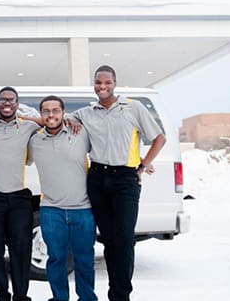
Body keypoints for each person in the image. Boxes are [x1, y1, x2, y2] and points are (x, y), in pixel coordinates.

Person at [72, 65, 166, 301]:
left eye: (107, 82)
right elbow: (53, 118)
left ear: (115, 83)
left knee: (124, 239)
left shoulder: (133, 107)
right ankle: (115, 291)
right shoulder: (86, 112)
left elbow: (159, 138)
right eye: (98, 82)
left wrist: (144, 164)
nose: (102, 87)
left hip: (125, 179)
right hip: (97, 178)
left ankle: (121, 295)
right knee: (109, 239)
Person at [27, 95, 97, 301]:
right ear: (40, 115)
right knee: (56, 259)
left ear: (63, 113)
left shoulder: (81, 133)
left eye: (55, 110)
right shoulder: (35, 141)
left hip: (83, 209)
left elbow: (107, 149)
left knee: (84, 260)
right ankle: (59, 297)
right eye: (46, 111)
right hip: (51, 210)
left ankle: (87, 298)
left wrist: (140, 165)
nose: (51, 115)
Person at [0, 86, 41, 301]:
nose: (7, 103)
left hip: (18, 197)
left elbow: (49, 121)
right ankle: (2, 294)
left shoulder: (27, 126)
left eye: (11, 100)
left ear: (17, 104)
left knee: (21, 249)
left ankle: (21, 295)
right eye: (3, 100)